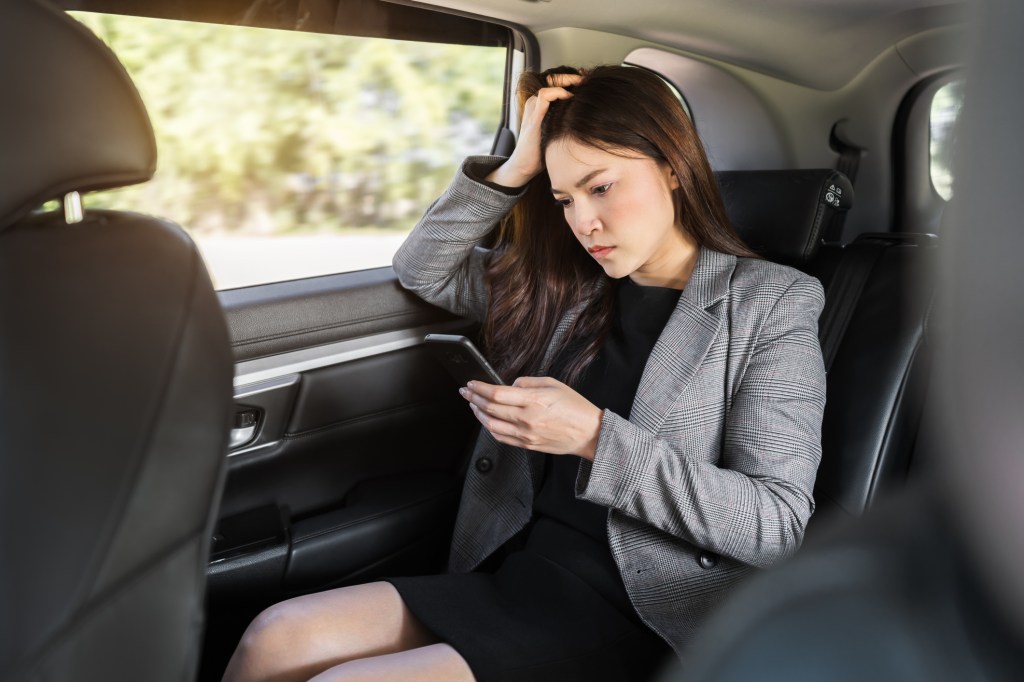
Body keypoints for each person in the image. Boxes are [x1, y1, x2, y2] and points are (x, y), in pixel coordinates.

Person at [221, 65, 826, 682]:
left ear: (672, 166)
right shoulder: (569, 289)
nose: (584, 222)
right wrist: (516, 168)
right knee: (273, 637)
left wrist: (595, 437)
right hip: (519, 569)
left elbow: (773, 524)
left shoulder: (770, 302)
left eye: (602, 187)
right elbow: (423, 267)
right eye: (564, 199)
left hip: (639, 612)